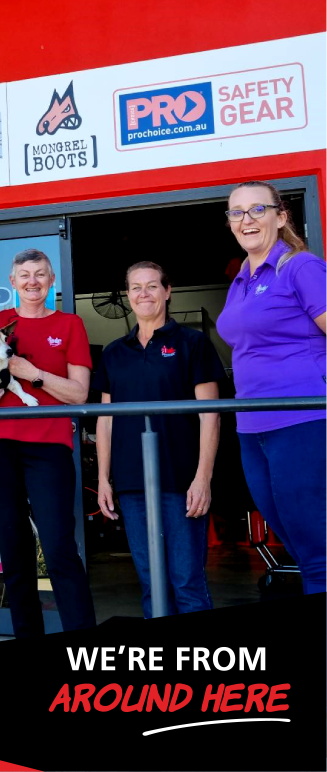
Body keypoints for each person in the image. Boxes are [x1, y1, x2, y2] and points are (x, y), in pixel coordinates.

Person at [0, 248, 96, 638]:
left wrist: (34, 374)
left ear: (51, 281)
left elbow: (79, 394)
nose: (33, 281)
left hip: (49, 446)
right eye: (25, 275)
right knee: (14, 552)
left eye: (40, 274)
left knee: (59, 548)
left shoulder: (69, 324)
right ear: (12, 282)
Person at [93, 261, 224, 618]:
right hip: (132, 484)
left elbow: (210, 414)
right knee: (152, 583)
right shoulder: (114, 352)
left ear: (167, 291)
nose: (144, 294)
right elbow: (105, 420)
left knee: (187, 582)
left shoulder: (193, 343)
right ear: (128, 295)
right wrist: (103, 479)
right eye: (136, 287)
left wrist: (203, 478)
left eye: (152, 286)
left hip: (182, 481)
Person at [217, 180, 327, 594]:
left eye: (257, 209)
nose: (246, 219)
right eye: (236, 212)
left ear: (280, 217)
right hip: (252, 427)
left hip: (301, 420)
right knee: (297, 544)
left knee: (317, 550)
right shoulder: (241, 279)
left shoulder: (300, 266)